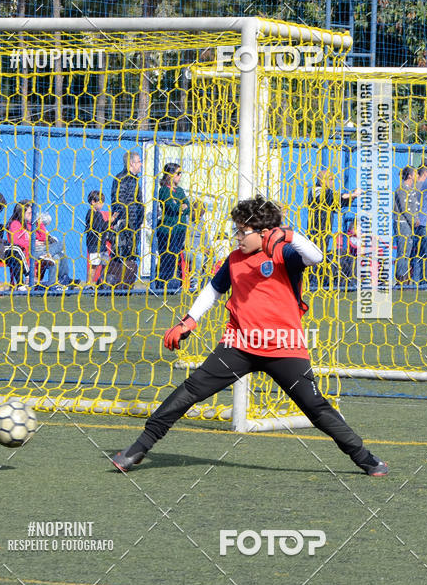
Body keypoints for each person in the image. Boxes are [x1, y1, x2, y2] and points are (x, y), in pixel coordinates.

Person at [112, 194, 388, 477]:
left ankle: (365, 458)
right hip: (239, 346)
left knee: (315, 407)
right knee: (191, 390)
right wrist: (189, 320)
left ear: (264, 232)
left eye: (242, 231)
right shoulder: (234, 259)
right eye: (237, 230)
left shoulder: (284, 254)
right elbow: (213, 290)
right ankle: (138, 449)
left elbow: (316, 256)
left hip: (283, 348)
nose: (237, 237)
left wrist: (288, 235)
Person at [307, 170, 360, 287]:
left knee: (322, 255)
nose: (332, 182)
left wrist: (351, 197)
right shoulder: (317, 190)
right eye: (330, 179)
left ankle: (319, 281)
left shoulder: (327, 191)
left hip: (325, 231)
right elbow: (334, 198)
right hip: (316, 231)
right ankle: (312, 282)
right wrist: (353, 195)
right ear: (322, 180)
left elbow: (338, 202)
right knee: (315, 256)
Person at [7, 201, 70, 289]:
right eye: (29, 213)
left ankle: (54, 284)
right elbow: (15, 241)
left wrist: (39, 224)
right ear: (22, 213)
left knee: (58, 255)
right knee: (57, 251)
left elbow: (43, 237)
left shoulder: (30, 224)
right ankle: (48, 257)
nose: (31, 215)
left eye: (32, 213)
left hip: (41, 251)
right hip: (29, 252)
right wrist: (32, 243)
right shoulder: (15, 224)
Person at [107, 151, 144, 288]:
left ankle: (127, 284)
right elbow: (118, 201)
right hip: (124, 224)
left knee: (132, 254)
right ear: (131, 163)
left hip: (134, 224)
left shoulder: (135, 179)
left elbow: (139, 202)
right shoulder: (121, 179)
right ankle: (113, 282)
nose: (141, 164)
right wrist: (124, 220)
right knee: (120, 253)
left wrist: (139, 219)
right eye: (139, 161)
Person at [154, 162, 189, 294]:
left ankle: (170, 285)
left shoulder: (180, 191)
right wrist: (181, 207)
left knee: (175, 257)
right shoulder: (164, 190)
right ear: (170, 175)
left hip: (180, 230)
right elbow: (171, 208)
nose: (180, 176)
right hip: (168, 230)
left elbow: (188, 207)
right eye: (178, 173)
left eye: (180, 173)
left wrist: (181, 207)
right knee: (166, 258)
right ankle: (161, 285)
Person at [393, 165, 417, 284]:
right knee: (403, 252)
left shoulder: (411, 190)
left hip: (409, 225)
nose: (417, 176)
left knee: (407, 252)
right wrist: (414, 221)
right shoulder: (401, 189)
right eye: (415, 173)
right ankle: (400, 278)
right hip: (403, 224)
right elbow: (404, 209)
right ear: (410, 176)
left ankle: (406, 277)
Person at [85, 191, 111, 283]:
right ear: (93, 202)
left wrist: (111, 221)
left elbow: (103, 226)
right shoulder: (90, 213)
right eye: (100, 202)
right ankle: (89, 283)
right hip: (94, 243)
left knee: (105, 262)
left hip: (102, 243)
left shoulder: (99, 214)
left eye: (103, 202)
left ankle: (102, 282)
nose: (102, 205)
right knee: (94, 265)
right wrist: (109, 222)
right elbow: (96, 227)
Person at [185, 200, 210, 290]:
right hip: (188, 250)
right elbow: (184, 241)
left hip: (200, 250)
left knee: (214, 257)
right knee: (199, 257)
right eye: (198, 214)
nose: (200, 217)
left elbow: (206, 237)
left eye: (201, 215)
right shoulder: (185, 221)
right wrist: (199, 248)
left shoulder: (201, 222)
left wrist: (208, 248)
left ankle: (205, 281)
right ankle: (194, 283)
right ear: (193, 210)